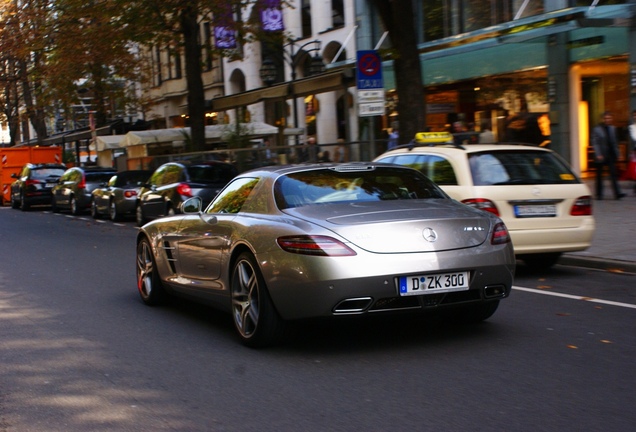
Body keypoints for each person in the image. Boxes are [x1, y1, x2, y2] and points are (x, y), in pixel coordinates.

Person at [591, 111, 625, 200]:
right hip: (601, 155)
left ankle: (617, 193)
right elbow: (595, 142)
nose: (607, 120)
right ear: (603, 119)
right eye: (606, 118)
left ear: (611, 119)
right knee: (599, 176)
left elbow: (614, 143)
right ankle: (599, 194)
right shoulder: (597, 129)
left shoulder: (613, 128)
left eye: (609, 118)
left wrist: (618, 154)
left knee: (613, 174)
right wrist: (598, 154)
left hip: (610, 155)